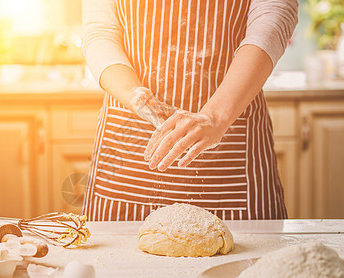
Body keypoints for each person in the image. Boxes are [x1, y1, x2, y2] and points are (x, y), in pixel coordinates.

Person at [81, 0, 298, 221]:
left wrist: (215, 116)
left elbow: (272, 19)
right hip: (128, 153)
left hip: (230, 154)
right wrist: (136, 97)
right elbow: (100, 31)